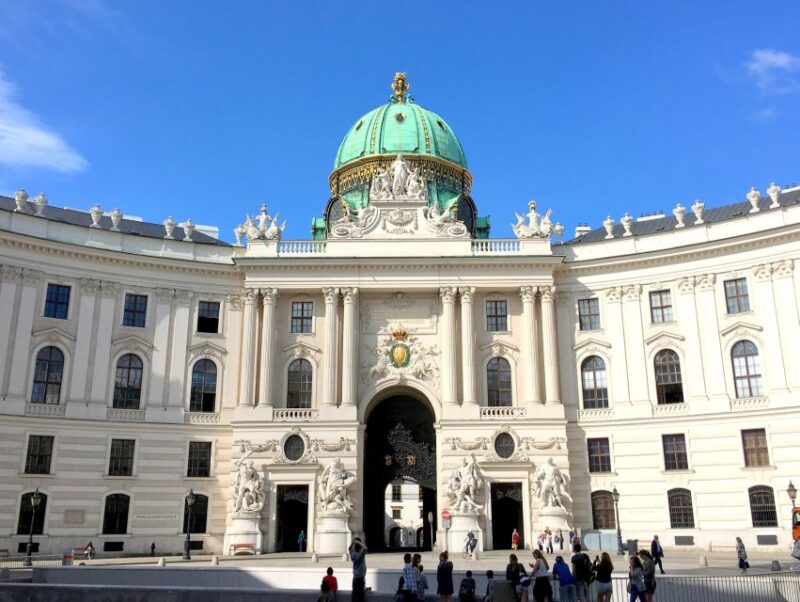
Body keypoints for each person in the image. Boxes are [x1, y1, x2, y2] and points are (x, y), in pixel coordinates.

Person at [349, 537, 367, 602]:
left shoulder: (353, 554)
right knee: (361, 596)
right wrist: (359, 542)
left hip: (355, 577)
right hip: (361, 577)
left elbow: (349, 548)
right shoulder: (360, 554)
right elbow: (365, 548)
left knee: (354, 594)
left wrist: (353, 542)